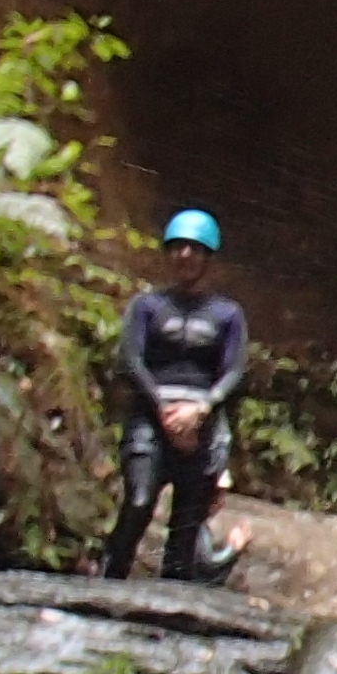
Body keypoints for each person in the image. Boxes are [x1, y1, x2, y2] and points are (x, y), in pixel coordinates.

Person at [104, 210, 248, 582]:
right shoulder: (146, 306)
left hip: (200, 430)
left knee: (184, 537)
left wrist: (202, 409)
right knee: (138, 503)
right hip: (149, 422)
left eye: (195, 249)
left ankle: (170, 610)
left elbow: (234, 371)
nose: (185, 255)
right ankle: (108, 579)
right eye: (178, 248)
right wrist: (165, 411)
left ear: (208, 257)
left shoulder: (227, 314)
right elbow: (130, 360)